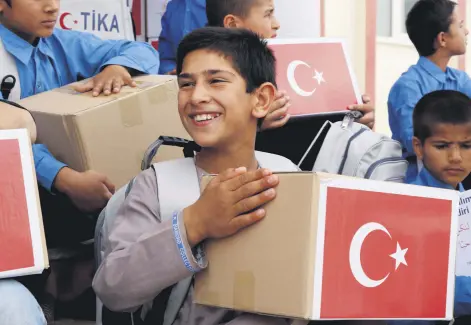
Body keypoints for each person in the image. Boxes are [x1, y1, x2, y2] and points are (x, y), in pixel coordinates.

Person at [93, 27, 297, 325]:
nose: (197, 96)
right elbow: (113, 288)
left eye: (216, 81)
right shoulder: (156, 187)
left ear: (262, 99)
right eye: (186, 84)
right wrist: (195, 222)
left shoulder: (288, 177)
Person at [0, 0, 160, 321]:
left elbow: (142, 52)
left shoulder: (62, 43)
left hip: (72, 193)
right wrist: (62, 177)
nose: (52, 6)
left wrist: (116, 68)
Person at [158, 0, 375, 131]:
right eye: (268, 14)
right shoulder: (203, 89)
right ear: (232, 24)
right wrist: (255, 127)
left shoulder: (289, 66)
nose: (277, 23)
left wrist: (352, 120)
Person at [388, 90, 471, 325]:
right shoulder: (409, 207)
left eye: (467, 145)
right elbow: (423, 284)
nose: (456, 157)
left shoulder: (464, 198)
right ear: (419, 146)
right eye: (442, 146)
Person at [388, 0, 471, 183]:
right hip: (419, 185)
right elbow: (415, 143)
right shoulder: (407, 87)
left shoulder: (461, 80)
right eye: (460, 25)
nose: (466, 31)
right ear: (442, 38)